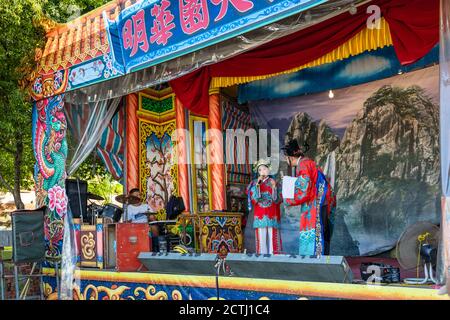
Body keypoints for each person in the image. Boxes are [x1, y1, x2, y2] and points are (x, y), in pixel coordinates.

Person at [282, 139, 336, 256]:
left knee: (316, 232)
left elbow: (304, 188)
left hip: (316, 203)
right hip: (323, 201)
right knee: (322, 232)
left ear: (290, 157)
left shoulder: (303, 165)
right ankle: (322, 261)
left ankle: (315, 261)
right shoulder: (309, 162)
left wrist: (288, 198)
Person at [246, 159, 282, 255]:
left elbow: (277, 199)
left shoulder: (274, 182)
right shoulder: (254, 183)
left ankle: (274, 255)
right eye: (260, 170)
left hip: (271, 212)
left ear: (269, 170)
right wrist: (257, 186)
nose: (262, 172)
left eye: (265, 169)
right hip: (260, 213)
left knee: (272, 235)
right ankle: (262, 255)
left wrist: (274, 187)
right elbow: (254, 199)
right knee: (261, 236)